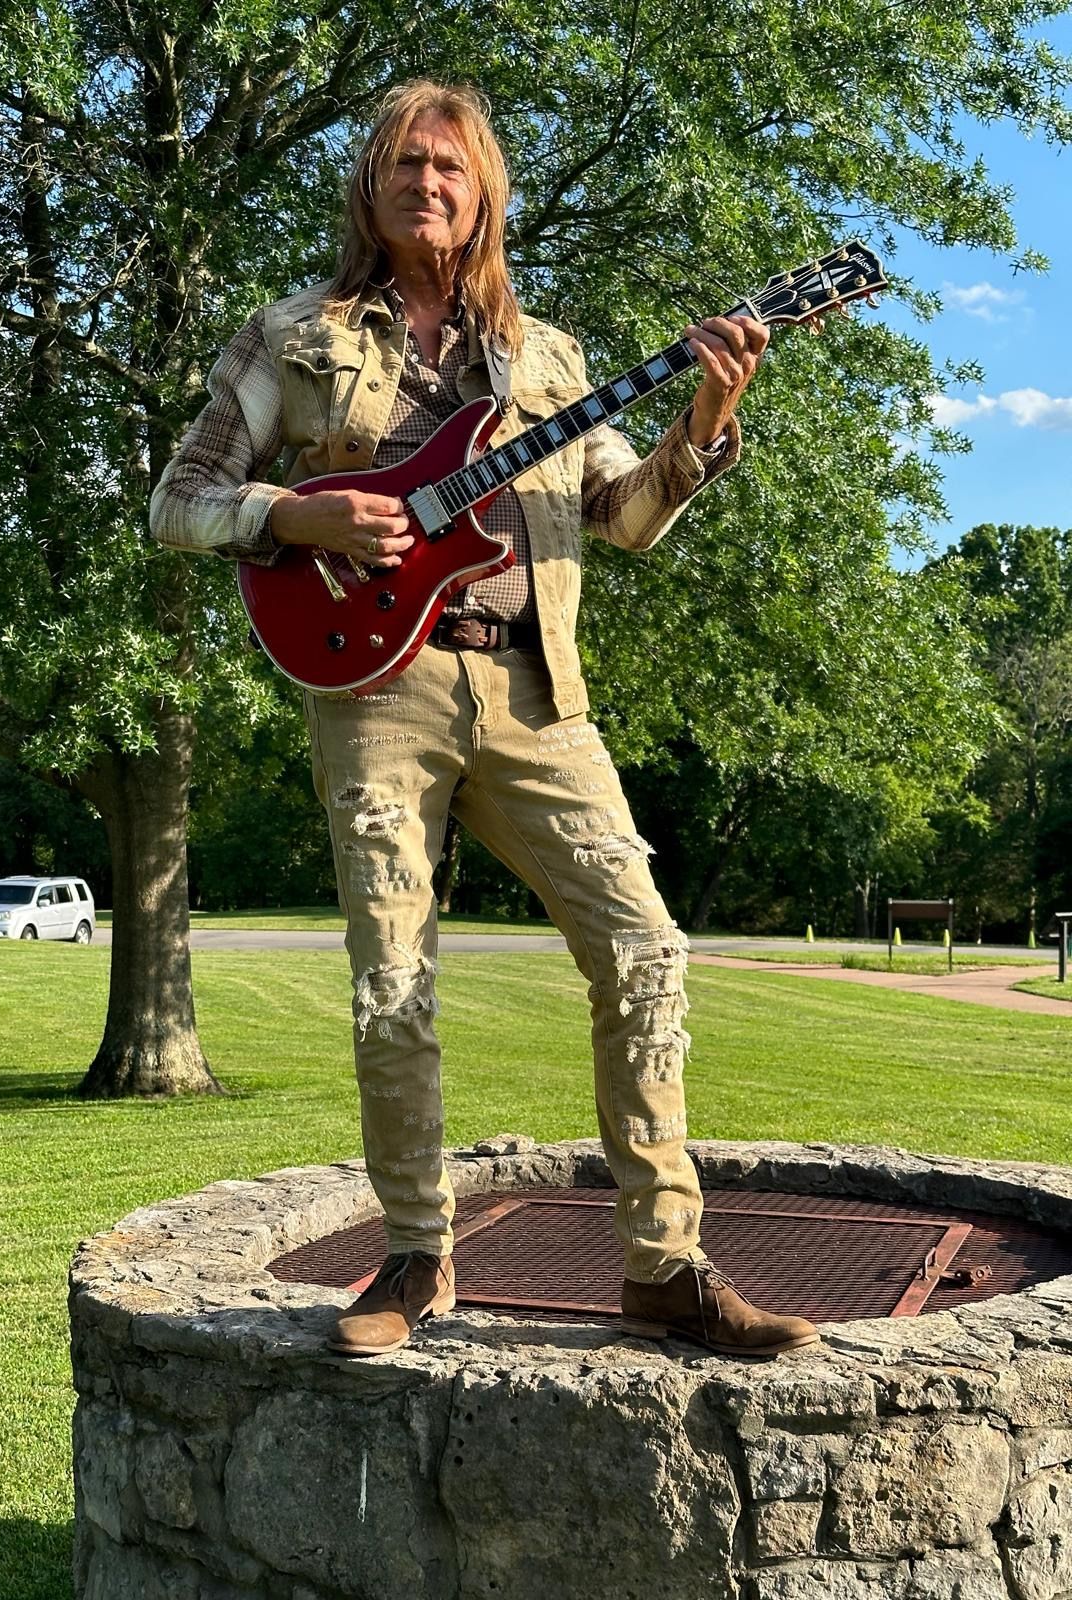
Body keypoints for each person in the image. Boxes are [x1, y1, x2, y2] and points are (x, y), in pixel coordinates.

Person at [151, 79, 819, 1360]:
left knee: (646, 947)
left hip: (537, 690)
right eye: (405, 163)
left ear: (484, 188)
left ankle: (664, 1265)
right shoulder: (292, 335)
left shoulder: (548, 360)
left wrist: (709, 418)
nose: (428, 184)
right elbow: (179, 503)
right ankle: (416, 1256)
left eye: (451, 167)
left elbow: (624, 518)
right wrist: (296, 516)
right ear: (371, 185)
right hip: (374, 688)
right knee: (394, 978)